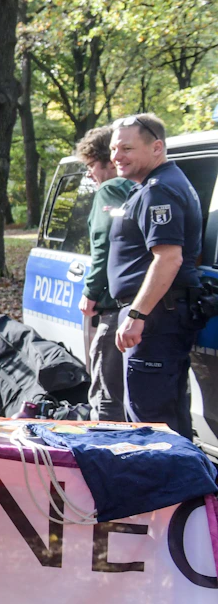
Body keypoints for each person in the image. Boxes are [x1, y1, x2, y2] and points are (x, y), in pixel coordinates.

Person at [108, 113, 203, 437]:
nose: (116, 156)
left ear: (157, 148)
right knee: (170, 421)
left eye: (126, 148)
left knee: (150, 425)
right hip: (162, 316)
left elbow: (168, 259)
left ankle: (160, 488)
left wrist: (136, 315)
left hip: (156, 319)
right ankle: (186, 487)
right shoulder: (160, 185)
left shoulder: (159, 190)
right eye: (113, 149)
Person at [75, 126, 136, 421]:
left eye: (91, 166)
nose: (90, 175)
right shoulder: (145, 187)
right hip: (144, 307)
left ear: (109, 163)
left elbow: (103, 243)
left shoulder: (110, 190)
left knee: (107, 396)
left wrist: (90, 292)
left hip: (114, 306)